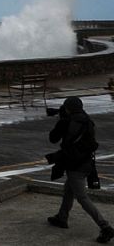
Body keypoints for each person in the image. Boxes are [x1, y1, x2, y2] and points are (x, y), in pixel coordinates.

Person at [46, 95, 114, 242]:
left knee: (82, 197)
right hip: (87, 163)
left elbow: (53, 138)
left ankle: (105, 227)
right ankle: (62, 218)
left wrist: (61, 120)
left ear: (68, 109)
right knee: (68, 190)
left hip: (75, 165)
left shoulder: (66, 122)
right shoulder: (88, 121)